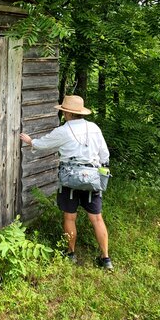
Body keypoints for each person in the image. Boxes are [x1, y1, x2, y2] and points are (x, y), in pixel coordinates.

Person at [20, 95, 113, 270]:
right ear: (80, 112)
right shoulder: (94, 128)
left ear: (67, 113)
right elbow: (105, 155)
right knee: (97, 219)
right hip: (92, 179)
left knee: (70, 217)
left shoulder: (63, 130)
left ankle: (70, 254)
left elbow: (43, 144)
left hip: (70, 179)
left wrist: (30, 141)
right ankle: (106, 259)